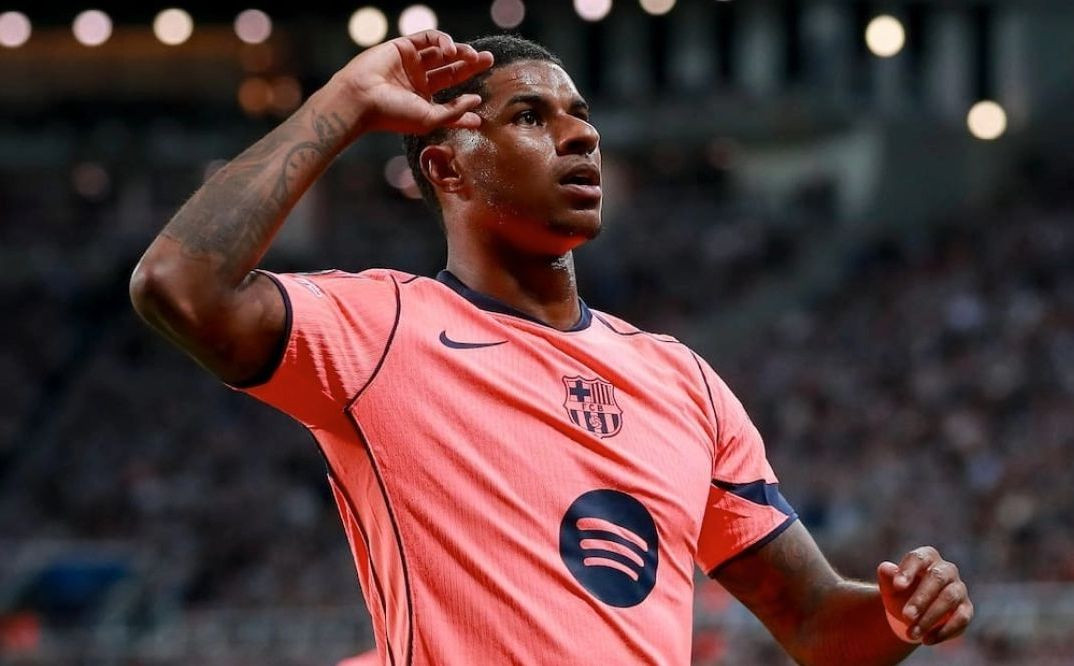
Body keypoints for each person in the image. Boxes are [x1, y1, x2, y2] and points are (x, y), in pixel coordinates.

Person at [129, 31, 973, 665]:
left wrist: (898, 615)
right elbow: (179, 285)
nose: (581, 137)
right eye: (530, 117)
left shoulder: (682, 381)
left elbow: (815, 621)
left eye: (581, 117)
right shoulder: (378, 330)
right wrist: (343, 101)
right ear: (448, 170)